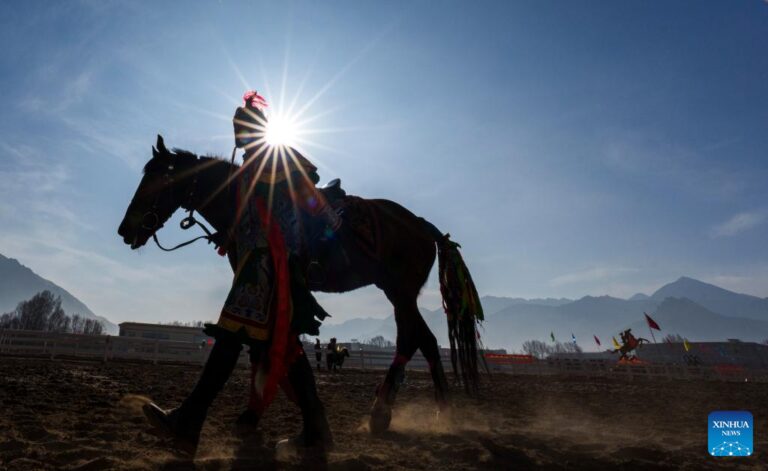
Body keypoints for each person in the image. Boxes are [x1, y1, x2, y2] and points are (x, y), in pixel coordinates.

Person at [142, 90, 338, 453]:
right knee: (285, 348)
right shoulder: (252, 165)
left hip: (267, 265)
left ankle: (188, 423)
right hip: (258, 262)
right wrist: (231, 234)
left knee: (231, 339)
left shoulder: (276, 159)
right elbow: (253, 213)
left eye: (243, 127)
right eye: (236, 128)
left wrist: (323, 219)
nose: (238, 134)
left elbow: (312, 202)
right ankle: (317, 431)